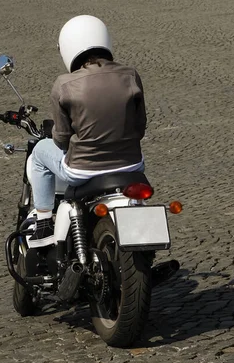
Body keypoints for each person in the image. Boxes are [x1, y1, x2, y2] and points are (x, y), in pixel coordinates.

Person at [27, 15, 147, 248]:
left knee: (40, 151)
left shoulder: (64, 84)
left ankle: (42, 221)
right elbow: (139, 127)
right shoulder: (131, 75)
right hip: (132, 164)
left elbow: (61, 139)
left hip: (82, 170)